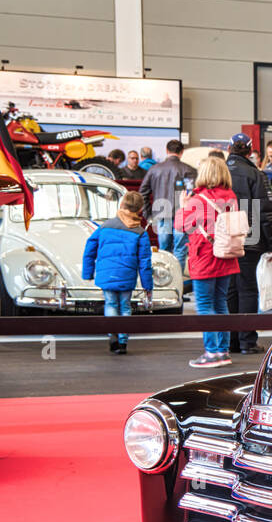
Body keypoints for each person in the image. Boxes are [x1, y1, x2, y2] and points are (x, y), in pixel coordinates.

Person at [179, 156, 242, 368]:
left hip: (204, 256)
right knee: (221, 302)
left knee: (205, 305)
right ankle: (223, 351)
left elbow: (182, 226)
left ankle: (211, 352)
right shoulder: (231, 196)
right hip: (226, 254)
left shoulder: (198, 199)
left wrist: (182, 206)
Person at [225, 132, 272, 355]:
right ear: (250, 151)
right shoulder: (255, 174)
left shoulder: (220, 171)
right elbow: (264, 212)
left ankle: (231, 341)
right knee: (247, 289)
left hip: (225, 238)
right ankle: (247, 342)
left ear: (229, 149)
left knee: (229, 290)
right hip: (250, 237)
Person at [81, 191, 152, 355]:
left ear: (121, 205)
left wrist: (87, 273)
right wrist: (148, 286)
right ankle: (122, 342)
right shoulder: (140, 232)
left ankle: (111, 334)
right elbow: (145, 262)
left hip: (106, 274)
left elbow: (89, 249)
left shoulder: (104, 226)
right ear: (140, 210)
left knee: (111, 303)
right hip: (127, 276)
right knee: (125, 307)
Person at [140, 139, 196, 292]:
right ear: (182, 152)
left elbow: (143, 192)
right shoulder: (189, 170)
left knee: (164, 251)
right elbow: (193, 194)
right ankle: (176, 289)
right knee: (179, 252)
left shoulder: (154, 169)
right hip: (182, 217)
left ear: (166, 150)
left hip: (161, 216)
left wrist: (148, 215)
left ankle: (161, 287)